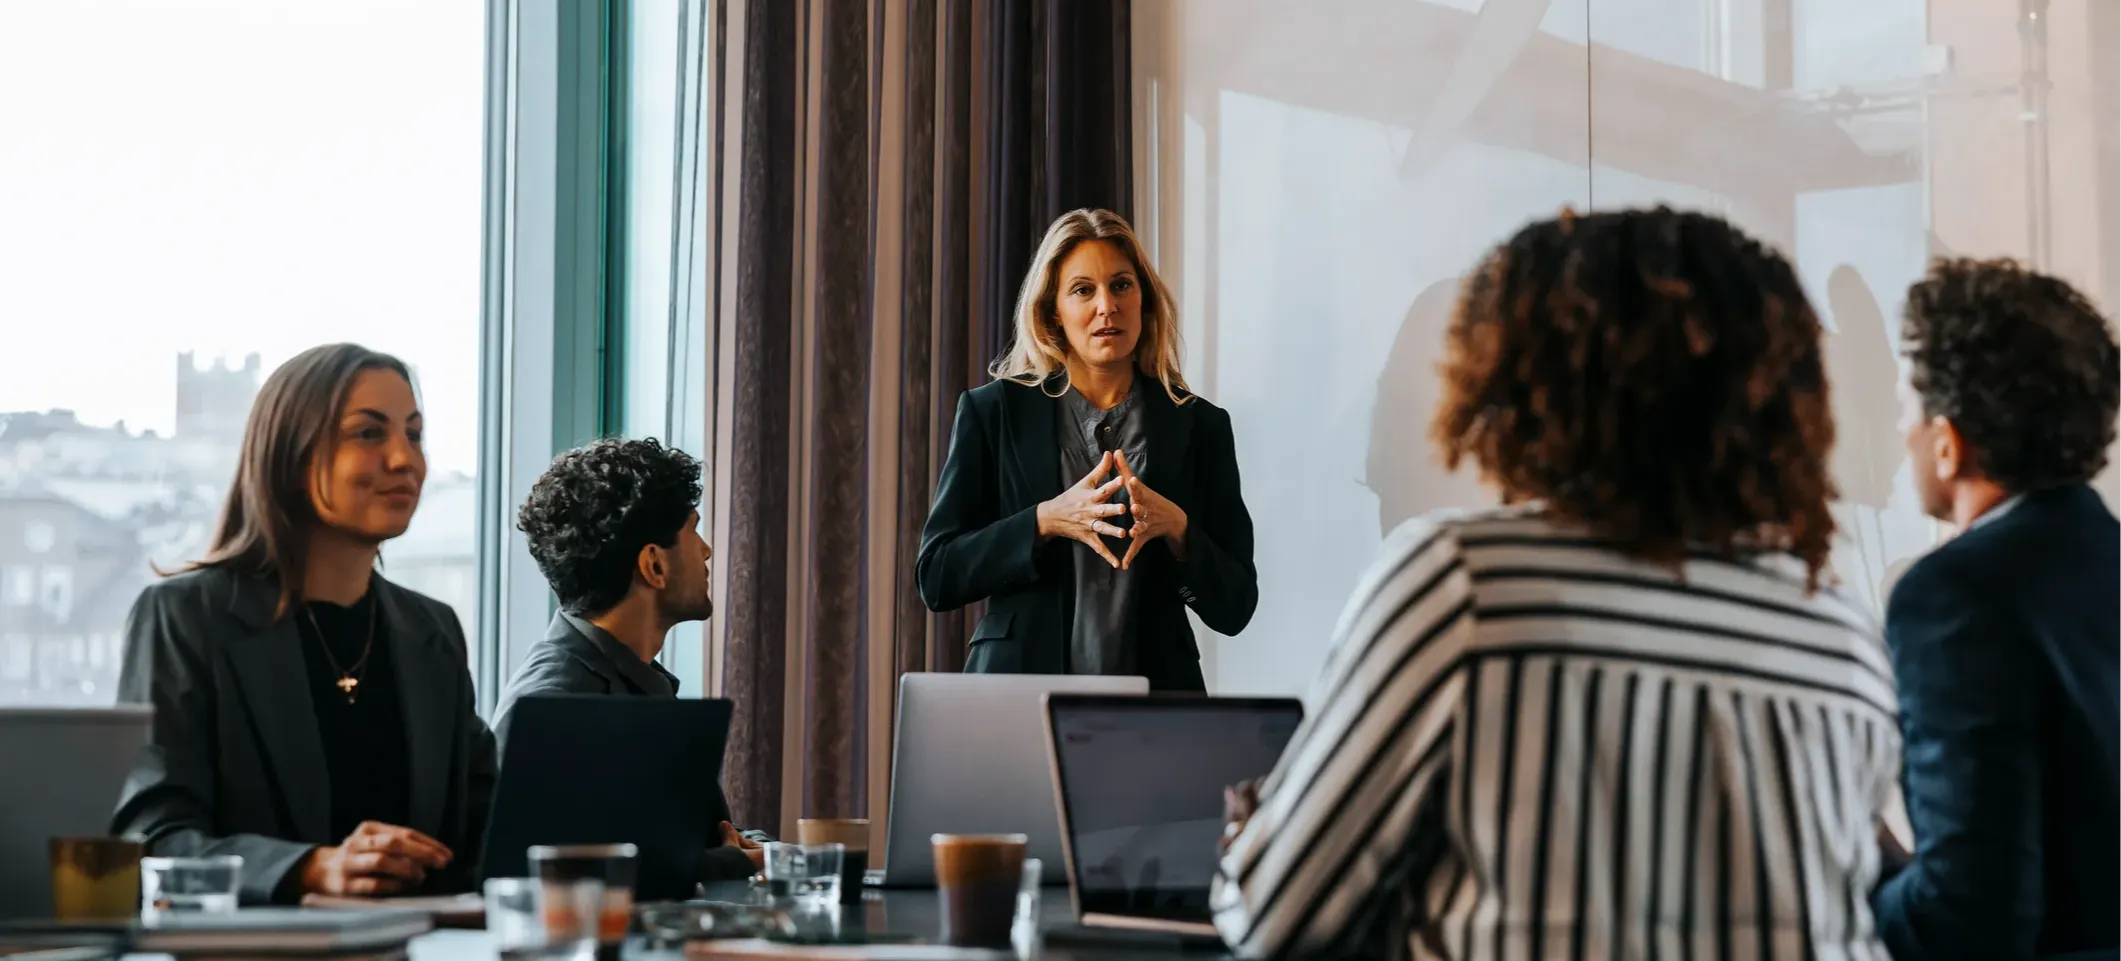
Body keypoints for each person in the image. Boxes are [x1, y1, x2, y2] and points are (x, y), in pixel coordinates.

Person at [1212, 208, 1901, 959]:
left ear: (1524, 380)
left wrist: (1255, 836)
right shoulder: (1841, 630)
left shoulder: (1463, 584)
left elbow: (1273, 915)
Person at [111, 344, 496, 904]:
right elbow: (152, 842)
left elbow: (488, 828)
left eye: (413, 434)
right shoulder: (185, 618)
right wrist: (310, 869)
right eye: (369, 433)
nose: (404, 459)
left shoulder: (431, 631)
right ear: (291, 457)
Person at [1873, 258, 2121, 961]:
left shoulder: (1950, 597)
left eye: (1906, 410)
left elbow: (1967, 923)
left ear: (1947, 443)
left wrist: (1850, 859)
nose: (1902, 432)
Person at [915, 208, 1256, 691]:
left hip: (1157, 704)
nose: (1106, 306)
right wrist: (1044, 521)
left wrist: (1177, 529)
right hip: (1016, 702)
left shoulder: (1202, 425)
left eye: (1121, 285)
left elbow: (1236, 605)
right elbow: (938, 575)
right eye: (1082, 290)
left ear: (1145, 300)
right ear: (1053, 310)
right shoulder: (993, 412)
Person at [495, 437, 769, 881]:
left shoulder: (635, 680)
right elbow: (558, 875)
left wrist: (769, 852)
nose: (706, 550)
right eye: (693, 531)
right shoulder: (555, 702)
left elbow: (681, 844)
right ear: (654, 565)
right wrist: (729, 862)